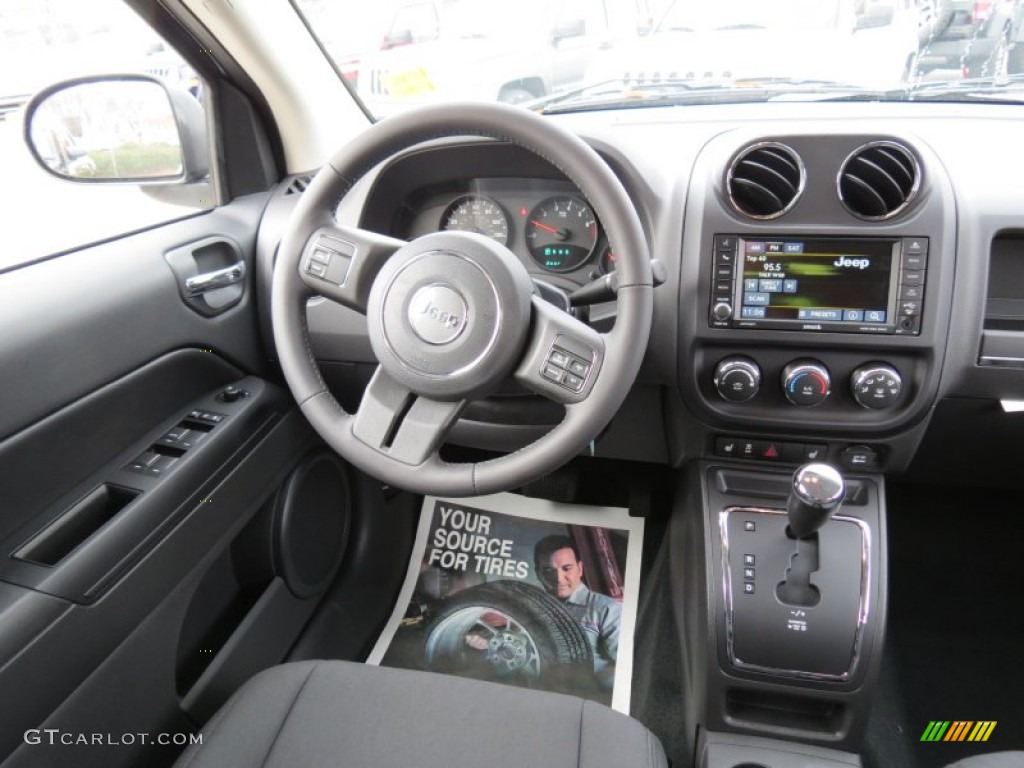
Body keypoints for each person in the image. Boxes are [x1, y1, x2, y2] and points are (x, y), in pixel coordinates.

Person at [533, 535, 621, 690]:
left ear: (580, 569)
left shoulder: (608, 609)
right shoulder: (533, 610)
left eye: (567, 568)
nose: (559, 578)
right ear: (538, 573)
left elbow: (625, 670)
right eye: (548, 570)